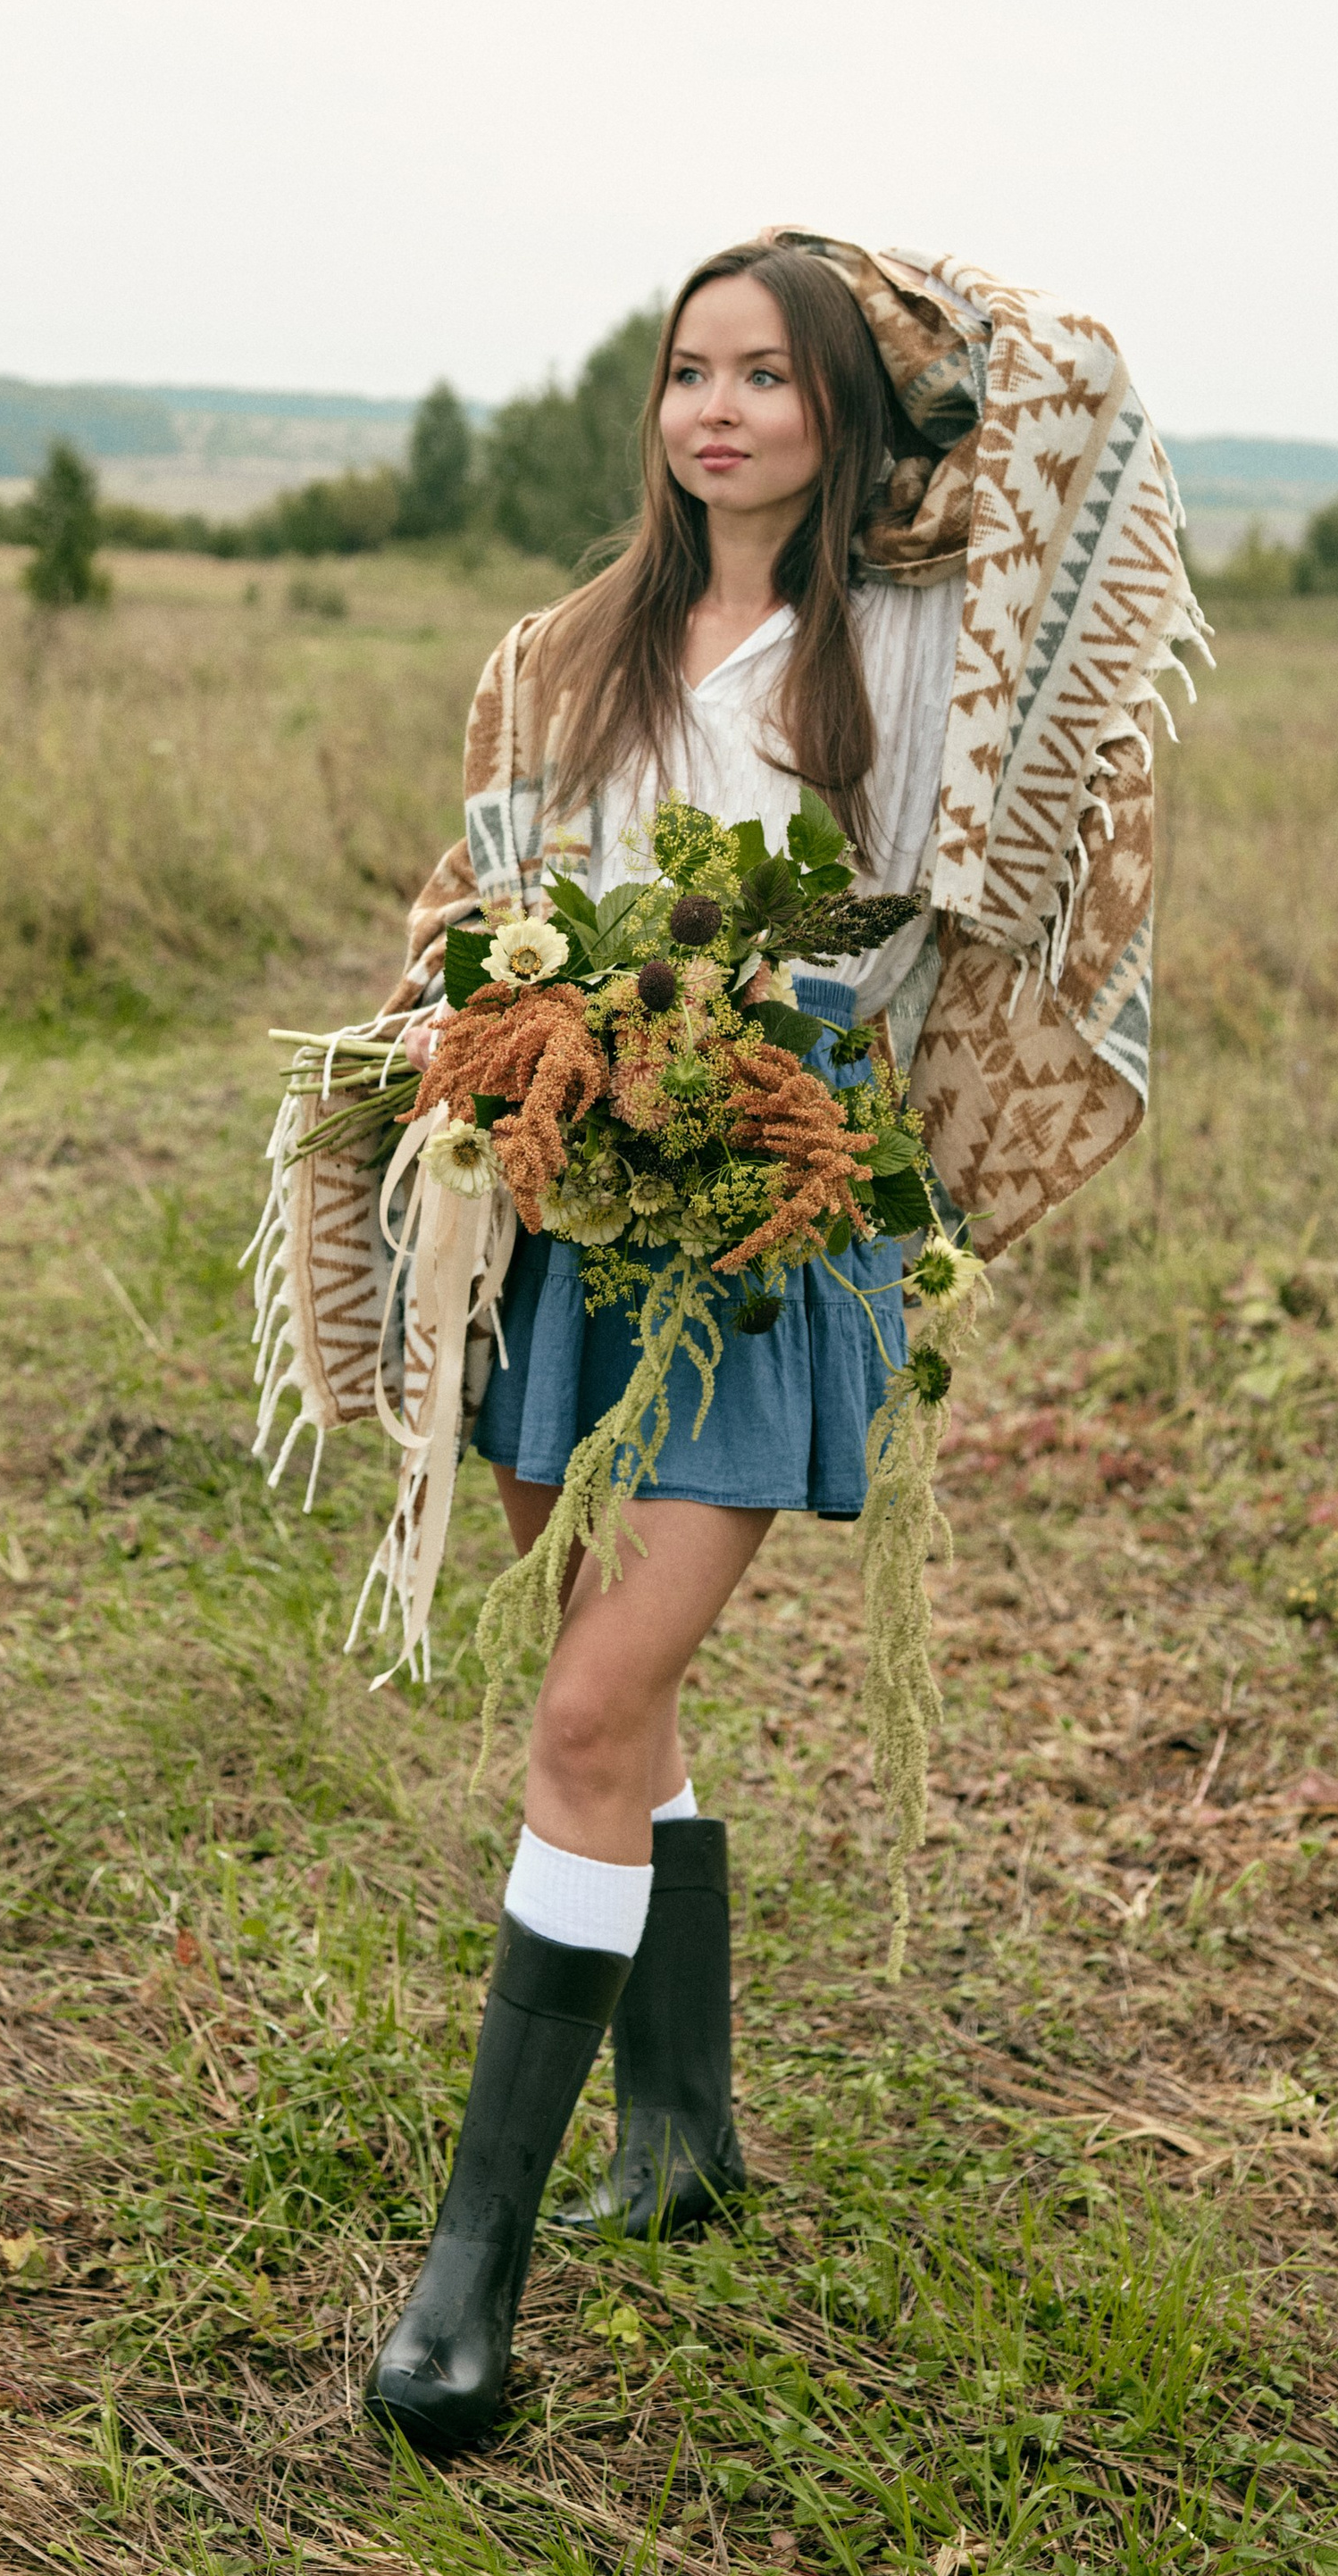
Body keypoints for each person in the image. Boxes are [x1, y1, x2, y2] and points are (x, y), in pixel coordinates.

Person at [248, 226, 1204, 2455]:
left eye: (770, 373)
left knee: (585, 1704)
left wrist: (857, 284)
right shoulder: (560, 651)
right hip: (566, 1194)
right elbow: (470, 895)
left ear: (841, 409)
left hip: (776, 1205)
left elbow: (1075, 389)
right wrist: (459, 1029)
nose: (719, 409)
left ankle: (463, 2279)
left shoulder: (915, 649)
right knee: (612, 1679)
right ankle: (678, 2138)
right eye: (690, 370)